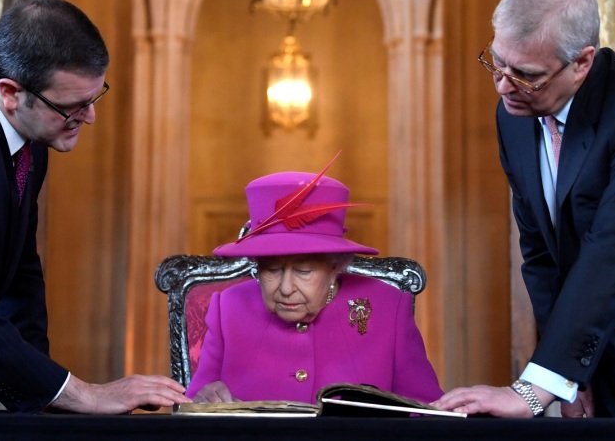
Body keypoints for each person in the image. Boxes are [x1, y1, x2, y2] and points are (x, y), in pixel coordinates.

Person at [0, 0, 190, 413]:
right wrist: (86, 395)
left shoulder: (30, 136)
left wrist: (45, 408)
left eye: (95, 97)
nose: (90, 117)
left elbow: (19, 279)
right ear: (11, 92)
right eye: (73, 106)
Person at [433, 0, 615, 418]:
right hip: (584, 351)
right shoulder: (513, 115)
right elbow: (542, 255)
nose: (505, 85)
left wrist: (534, 389)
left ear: (582, 62)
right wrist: (568, 376)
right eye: (496, 63)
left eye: (527, 75)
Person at [186, 158, 442, 404]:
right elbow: (192, 407)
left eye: (304, 271)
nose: (286, 289)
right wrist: (201, 401)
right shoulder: (229, 307)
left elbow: (426, 412)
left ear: (334, 267)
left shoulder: (388, 308)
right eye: (272, 270)